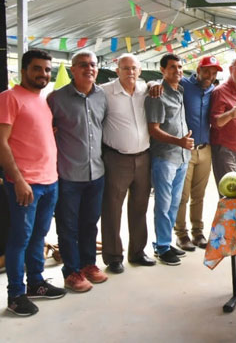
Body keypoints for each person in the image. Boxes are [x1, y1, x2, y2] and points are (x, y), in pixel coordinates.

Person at [1, 50, 65, 316]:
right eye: (38, 69)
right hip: (26, 184)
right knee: (20, 239)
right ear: (24, 70)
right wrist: (18, 180)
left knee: (39, 236)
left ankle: (36, 283)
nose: (44, 74)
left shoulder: (41, 100)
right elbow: (1, 143)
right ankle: (15, 294)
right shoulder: (9, 98)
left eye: (47, 70)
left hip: (50, 181)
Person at [47, 51, 109, 292]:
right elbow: (47, 132)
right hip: (68, 174)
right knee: (68, 226)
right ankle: (71, 272)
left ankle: (88, 265)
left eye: (93, 64)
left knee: (90, 223)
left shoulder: (102, 96)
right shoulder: (56, 99)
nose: (89, 69)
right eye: (83, 65)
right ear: (72, 69)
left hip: (97, 173)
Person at [100, 54, 155, 274]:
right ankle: (113, 256)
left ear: (139, 71)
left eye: (133, 68)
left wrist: (154, 83)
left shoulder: (145, 89)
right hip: (116, 158)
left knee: (140, 206)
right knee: (112, 208)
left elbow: (155, 84)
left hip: (143, 157)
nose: (130, 72)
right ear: (117, 70)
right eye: (125, 68)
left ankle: (137, 252)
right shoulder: (105, 92)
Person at [145, 54, 194, 266]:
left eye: (180, 67)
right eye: (172, 67)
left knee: (175, 203)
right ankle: (162, 247)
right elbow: (153, 129)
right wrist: (179, 141)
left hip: (182, 157)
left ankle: (165, 241)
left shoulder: (180, 91)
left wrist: (183, 146)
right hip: (165, 157)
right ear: (162, 70)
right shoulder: (157, 94)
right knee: (163, 205)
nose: (178, 71)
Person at [175, 55, 222, 252]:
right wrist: (153, 83)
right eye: (206, 71)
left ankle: (197, 232)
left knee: (199, 195)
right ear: (198, 70)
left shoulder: (214, 90)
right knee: (182, 196)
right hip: (185, 149)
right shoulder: (183, 84)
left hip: (206, 148)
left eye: (213, 73)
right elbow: (163, 83)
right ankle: (181, 234)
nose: (209, 76)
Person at [210, 57, 236, 183]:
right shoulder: (220, 91)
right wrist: (231, 114)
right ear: (231, 69)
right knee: (228, 189)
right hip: (225, 149)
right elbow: (216, 122)